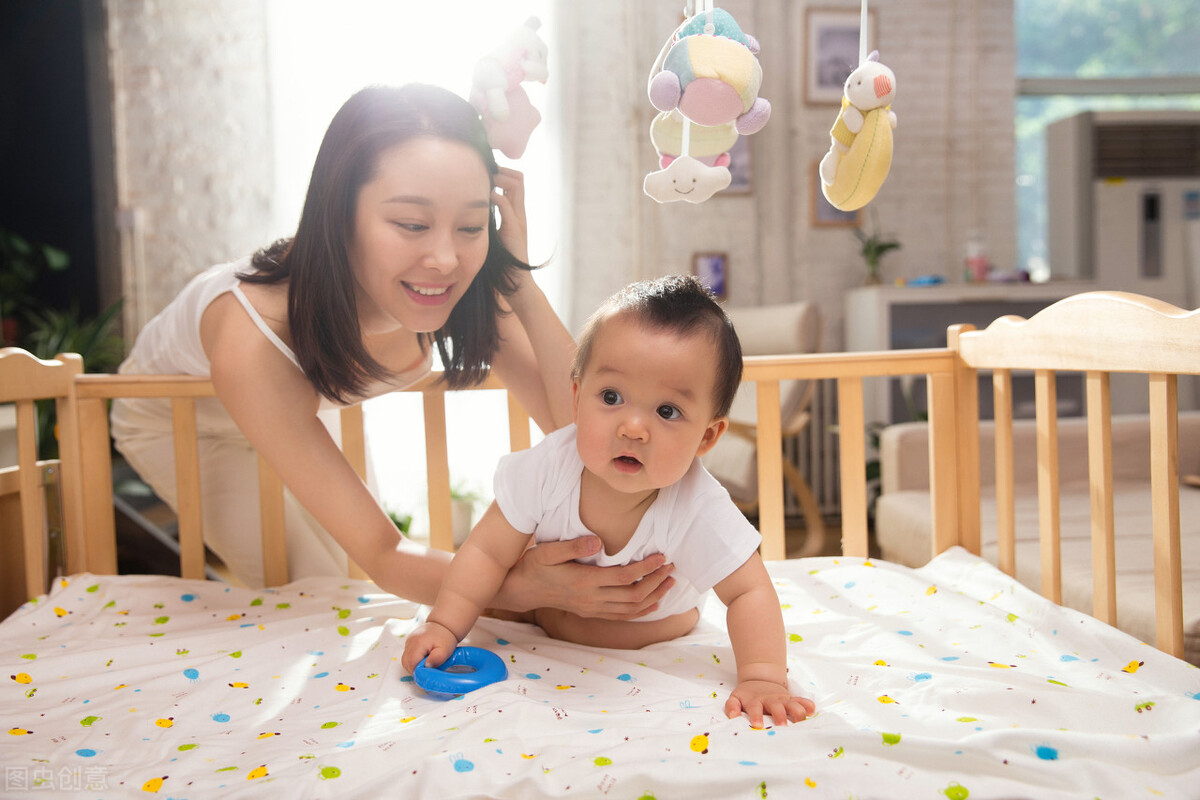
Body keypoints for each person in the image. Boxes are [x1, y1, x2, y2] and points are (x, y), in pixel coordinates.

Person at [110, 84, 675, 621]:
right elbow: (386, 554)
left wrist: (517, 279)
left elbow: (579, 426)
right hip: (186, 421)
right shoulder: (252, 335)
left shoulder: (466, 280)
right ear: (341, 214)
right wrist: (526, 587)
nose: (445, 259)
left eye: (472, 225)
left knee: (351, 579)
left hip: (304, 408)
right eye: (411, 223)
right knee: (318, 586)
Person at [402, 275, 816, 728]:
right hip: (554, 618)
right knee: (503, 584)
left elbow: (749, 591)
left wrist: (763, 677)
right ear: (577, 399)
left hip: (658, 629)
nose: (633, 427)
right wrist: (444, 626)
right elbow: (484, 551)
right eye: (612, 397)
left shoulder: (697, 505)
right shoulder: (547, 469)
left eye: (667, 411)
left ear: (708, 436)